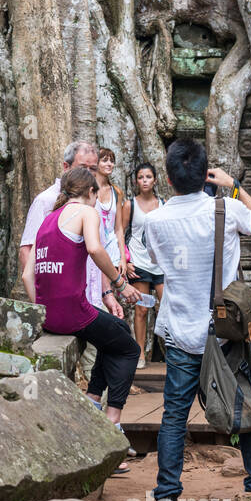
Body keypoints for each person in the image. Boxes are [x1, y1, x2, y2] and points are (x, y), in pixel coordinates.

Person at [142, 138, 251, 501]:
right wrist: (233, 185)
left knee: (174, 414)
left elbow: (154, 260)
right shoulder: (227, 209)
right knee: (244, 398)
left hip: (180, 332)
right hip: (225, 332)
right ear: (206, 175)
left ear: (167, 179)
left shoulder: (154, 221)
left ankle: (167, 493)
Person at [25, 167, 142, 471]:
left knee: (113, 332)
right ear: (91, 192)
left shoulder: (48, 219)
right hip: (73, 312)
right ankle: (112, 421)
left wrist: (42, 309)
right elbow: (94, 248)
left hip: (49, 314)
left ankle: (92, 397)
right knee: (129, 348)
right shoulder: (86, 212)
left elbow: (28, 273)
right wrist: (120, 283)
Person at [19, 142, 111, 384]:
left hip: (91, 300)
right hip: (64, 306)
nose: (90, 175)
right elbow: (28, 252)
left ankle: (100, 415)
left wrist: (108, 292)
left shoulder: (93, 201)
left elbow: (98, 254)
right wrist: (43, 308)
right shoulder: (46, 202)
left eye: (94, 169)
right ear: (66, 167)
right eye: (84, 168)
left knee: (101, 362)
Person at [120, 162, 164, 369]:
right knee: (142, 310)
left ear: (155, 180)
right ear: (136, 181)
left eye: (148, 177)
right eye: (141, 177)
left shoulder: (164, 204)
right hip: (139, 263)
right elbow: (119, 233)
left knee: (168, 307)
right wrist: (125, 261)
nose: (145, 180)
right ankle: (140, 354)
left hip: (161, 265)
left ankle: (174, 352)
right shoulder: (130, 205)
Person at [94, 147, 128, 272]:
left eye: (112, 161)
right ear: (95, 164)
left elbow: (118, 228)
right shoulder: (88, 190)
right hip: (95, 250)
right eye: (105, 160)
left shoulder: (116, 192)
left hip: (113, 252)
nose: (110, 164)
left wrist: (123, 259)